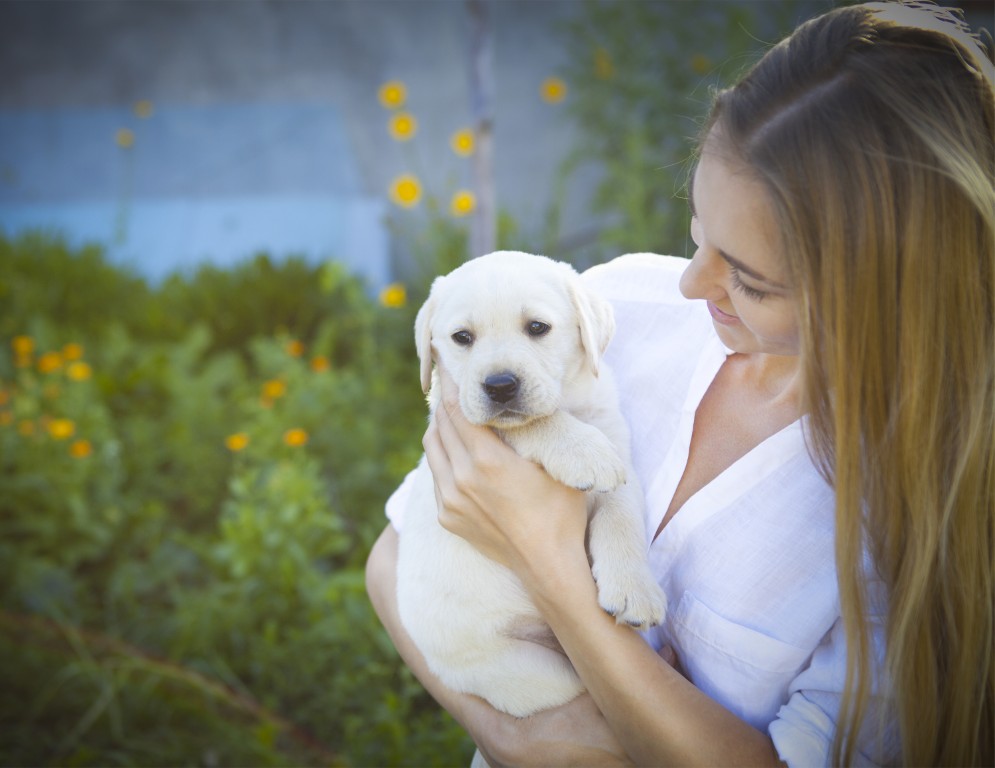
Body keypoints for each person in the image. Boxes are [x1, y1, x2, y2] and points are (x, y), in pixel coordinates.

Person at [366, 1, 995, 765]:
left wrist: (550, 570)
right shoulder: (613, 306)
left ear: (895, 290)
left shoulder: (919, 509)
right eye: (697, 232)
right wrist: (521, 736)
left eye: (751, 281)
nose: (693, 286)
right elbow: (396, 552)